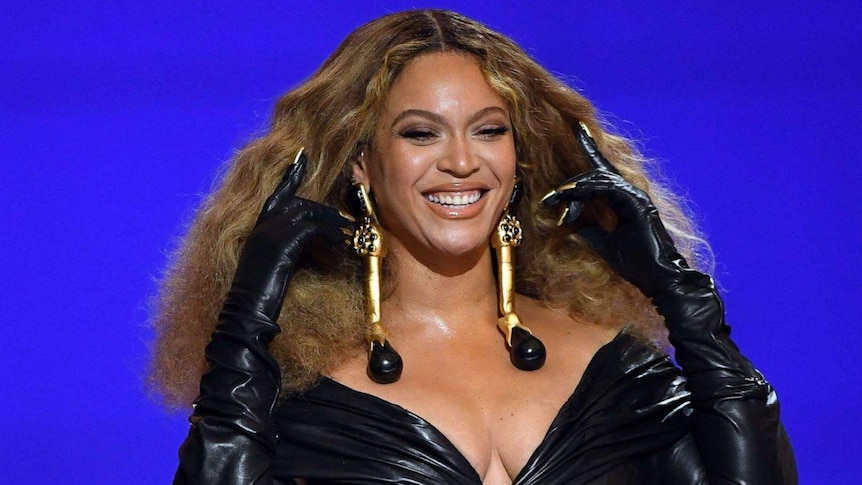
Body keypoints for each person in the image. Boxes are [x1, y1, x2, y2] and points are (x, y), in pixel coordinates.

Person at [150, 9, 797, 484]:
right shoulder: (300, 390)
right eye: (420, 134)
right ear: (360, 166)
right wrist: (245, 325)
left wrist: (682, 300)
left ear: (516, 158)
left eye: (488, 130)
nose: (462, 161)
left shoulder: (614, 369)